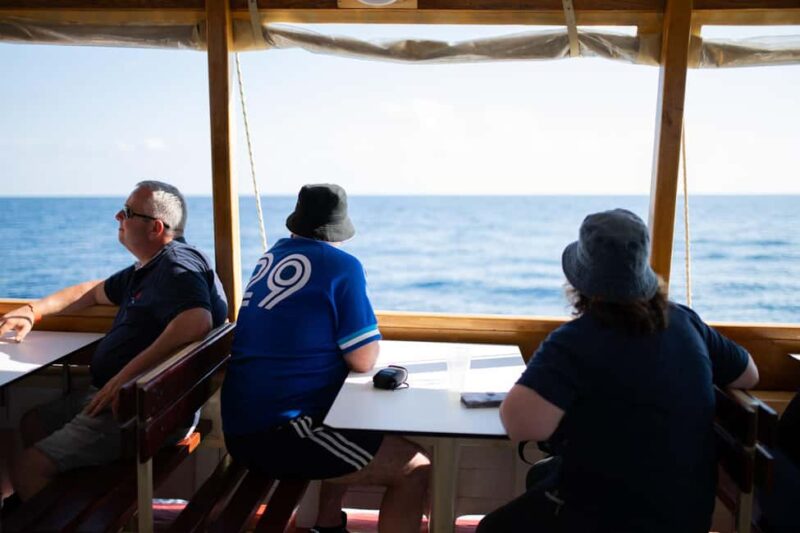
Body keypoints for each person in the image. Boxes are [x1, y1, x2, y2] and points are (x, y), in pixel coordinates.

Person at [478, 208, 759, 533]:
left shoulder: (577, 340)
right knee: (541, 475)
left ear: (581, 283)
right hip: (686, 518)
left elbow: (520, 425)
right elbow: (748, 374)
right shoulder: (685, 321)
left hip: (607, 518)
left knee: (492, 528)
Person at [0, 181, 228, 501]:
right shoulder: (151, 268)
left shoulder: (177, 264)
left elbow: (196, 321)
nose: (117, 216)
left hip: (138, 410)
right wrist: (32, 310)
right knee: (32, 423)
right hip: (138, 400)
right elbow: (91, 292)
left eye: (127, 212)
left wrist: (125, 377)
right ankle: (56, 509)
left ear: (156, 227)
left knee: (26, 467)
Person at [221, 184, 430, 533]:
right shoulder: (341, 266)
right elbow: (363, 359)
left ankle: (328, 525)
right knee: (415, 467)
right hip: (276, 433)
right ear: (340, 230)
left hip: (243, 423)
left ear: (296, 223)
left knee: (349, 420)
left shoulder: (269, 258)